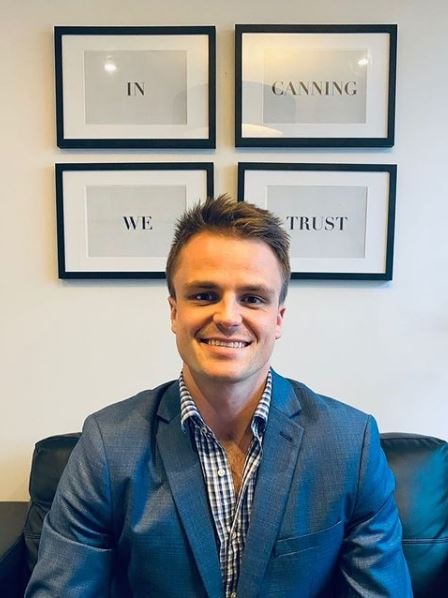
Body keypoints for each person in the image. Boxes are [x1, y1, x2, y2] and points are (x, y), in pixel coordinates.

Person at [26, 195, 412, 597]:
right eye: (204, 295)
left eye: (253, 298)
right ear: (174, 312)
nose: (228, 317)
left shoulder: (351, 443)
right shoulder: (107, 444)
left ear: (277, 318)